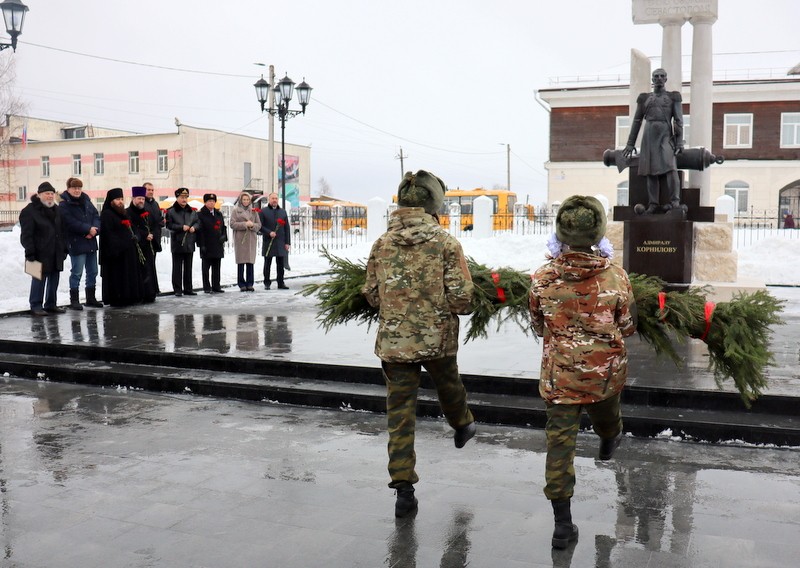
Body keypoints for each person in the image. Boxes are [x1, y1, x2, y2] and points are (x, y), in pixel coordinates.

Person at [361, 170, 477, 518]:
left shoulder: (382, 243)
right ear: (434, 205)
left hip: (396, 344)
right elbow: (462, 300)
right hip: (437, 340)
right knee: (448, 384)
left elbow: (369, 294)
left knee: (399, 415)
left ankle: (403, 490)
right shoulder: (446, 243)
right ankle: (462, 424)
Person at [529, 195, 637, 549]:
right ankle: (608, 438)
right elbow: (628, 325)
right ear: (597, 233)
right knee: (608, 417)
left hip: (560, 378)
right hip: (604, 375)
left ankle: (563, 526)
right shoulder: (616, 276)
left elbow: (537, 324)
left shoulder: (543, 277)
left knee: (559, 446)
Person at [623, 68, 684, 214]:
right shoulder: (644, 98)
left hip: (665, 134)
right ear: (652, 79)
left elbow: (679, 120)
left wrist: (679, 142)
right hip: (649, 135)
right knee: (650, 171)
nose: (659, 78)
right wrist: (630, 143)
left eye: (662, 76)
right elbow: (637, 121)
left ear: (666, 79)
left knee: (671, 167)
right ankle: (653, 204)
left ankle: (675, 201)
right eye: (656, 76)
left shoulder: (672, 97)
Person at [19, 182, 69, 316]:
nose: (50, 196)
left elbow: (63, 231)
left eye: (52, 194)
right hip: (36, 253)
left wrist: (65, 249)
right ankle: (35, 305)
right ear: (39, 195)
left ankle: (51, 304)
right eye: (47, 193)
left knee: (54, 280)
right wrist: (29, 252)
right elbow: (26, 235)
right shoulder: (29, 211)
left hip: (55, 252)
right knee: (38, 280)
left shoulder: (57, 210)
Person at [58, 177, 103, 310]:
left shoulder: (87, 201)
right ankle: (74, 300)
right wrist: (87, 229)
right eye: (74, 188)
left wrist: (95, 229)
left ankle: (91, 298)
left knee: (93, 271)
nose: (77, 190)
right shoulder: (64, 205)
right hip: (77, 243)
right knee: (77, 272)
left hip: (91, 241)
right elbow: (69, 222)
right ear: (68, 189)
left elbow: (96, 216)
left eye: (79, 188)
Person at [99, 187, 144, 307]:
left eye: (121, 199)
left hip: (128, 252)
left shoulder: (123, 213)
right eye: (117, 199)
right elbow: (109, 235)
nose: (120, 202)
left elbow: (134, 228)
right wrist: (124, 242)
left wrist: (137, 237)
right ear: (111, 201)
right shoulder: (107, 215)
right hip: (116, 254)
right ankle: (118, 298)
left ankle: (130, 297)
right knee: (118, 277)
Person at [165, 187, 200, 296]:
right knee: (177, 268)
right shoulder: (171, 211)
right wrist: (181, 227)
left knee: (188, 268)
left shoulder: (192, 211)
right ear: (177, 197)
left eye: (186, 197)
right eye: (182, 197)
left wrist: (194, 227)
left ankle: (188, 289)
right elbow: (169, 225)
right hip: (177, 243)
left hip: (189, 242)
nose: (184, 199)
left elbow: (197, 222)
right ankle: (177, 289)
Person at [127, 186, 158, 303]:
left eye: (143, 199)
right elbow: (132, 228)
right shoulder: (128, 212)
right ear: (133, 198)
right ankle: (140, 294)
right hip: (137, 247)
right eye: (139, 198)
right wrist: (145, 234)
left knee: (149, 269)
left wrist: (152, 234)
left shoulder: (146, 212)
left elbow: (155, 225)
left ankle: (150, 293)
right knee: (139, 271)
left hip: (148, 246)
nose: (141, 201)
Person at [196, 193, 228, 293]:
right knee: (206, 268)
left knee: (216, 267)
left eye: (213, 201)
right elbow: (200, 231)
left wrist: (224, 236)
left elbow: (223, 227)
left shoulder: (218, 214)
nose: (212, 203)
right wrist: (201, 245)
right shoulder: (200, 214)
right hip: (207, 244)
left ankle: (216, 286)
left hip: (217, 244)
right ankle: (206, 287)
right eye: (209, 201)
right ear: (205, 202)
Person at [230, 192, 261, 292]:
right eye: (244, 200)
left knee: (250, 262)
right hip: (240, 239)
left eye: (247, 200)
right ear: (240, 200)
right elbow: (232, 224)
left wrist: (252, 225)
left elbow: (259, 225)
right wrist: (244, 224)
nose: (246, 201)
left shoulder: (254, 212)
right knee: (241, 262)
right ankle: (241, 283)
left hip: (251, 239)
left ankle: (250, 283)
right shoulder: (236, 211)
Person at [259, 192, 291, 290]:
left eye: (276, 198)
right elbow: (260, 226)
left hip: (280, 242)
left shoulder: (283, 212)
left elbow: (287, 228)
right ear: (269, 199)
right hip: (268, 241)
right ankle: (267, 282)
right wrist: (269, 232)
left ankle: (280, 282)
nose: (274, 200)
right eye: (272, 198)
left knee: (280, 264)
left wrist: (287, 242)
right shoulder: (263, 211)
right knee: (267, 263)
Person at [142, 182, 165, 292]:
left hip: (155, 239)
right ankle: (148, 289)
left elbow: (158, 219)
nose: (151, 191)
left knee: (152, 264)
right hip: (146, 239)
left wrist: (162, 221)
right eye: (148, 190)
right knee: (146, 265)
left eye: (152, 190)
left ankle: (154, 288)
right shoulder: (142, 203)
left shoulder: (155, 204)